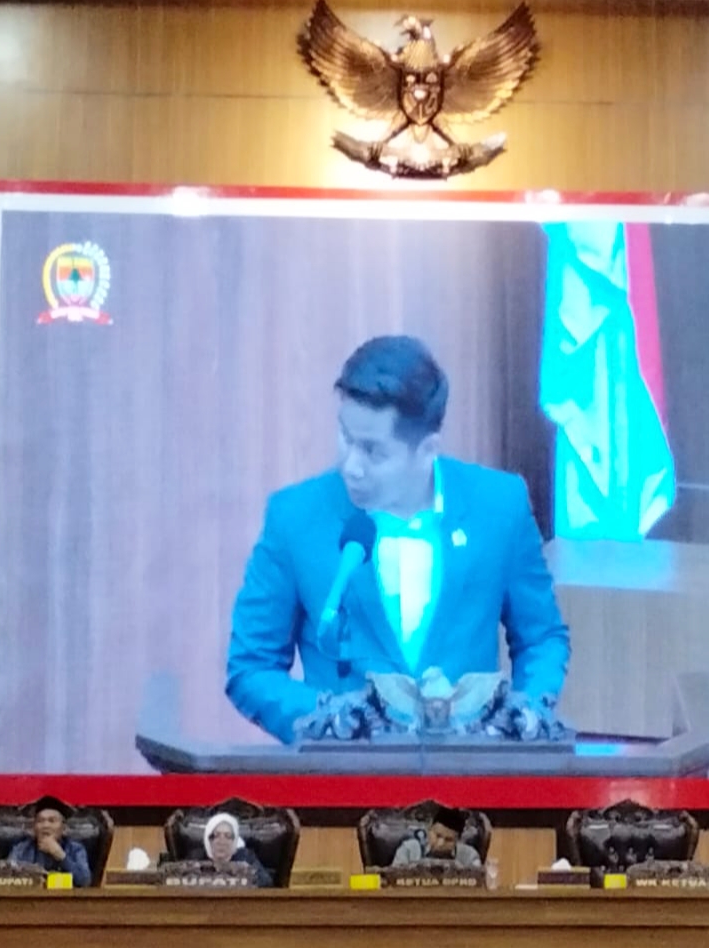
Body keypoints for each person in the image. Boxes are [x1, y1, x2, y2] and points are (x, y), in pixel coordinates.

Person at [225, 334, 571, 743]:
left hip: (469, 770)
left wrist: (526, 712)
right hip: (343, 773)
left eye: (373, 452)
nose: (351, 466)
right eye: (345, 438)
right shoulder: (295, 517)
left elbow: (542, 638)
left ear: (427, 451)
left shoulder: (499, 507)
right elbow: (250, 667)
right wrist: (325, 719)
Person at [7, 796, 92, 887]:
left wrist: (61, 856)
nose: (45, 825)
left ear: (63, 827)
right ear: (34, 827)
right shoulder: (21, 850)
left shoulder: (75, 849)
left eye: (52, 821)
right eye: (40, 821)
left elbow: (85, 881)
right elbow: (7, 879)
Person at [391, 806, 481, 867]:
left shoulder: (469, 856)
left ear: (458, 840)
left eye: (449, 840)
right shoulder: (408, 850)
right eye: (437, 836)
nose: (441, 843)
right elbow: (392, 881)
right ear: (429, 830)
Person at [203, 813, 274, 887]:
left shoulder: (245, 858)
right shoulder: (200, 859)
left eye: (228, 836)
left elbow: (265, 882)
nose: (222, 841)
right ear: (209, 841)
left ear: (234, 842)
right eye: (216, 835)